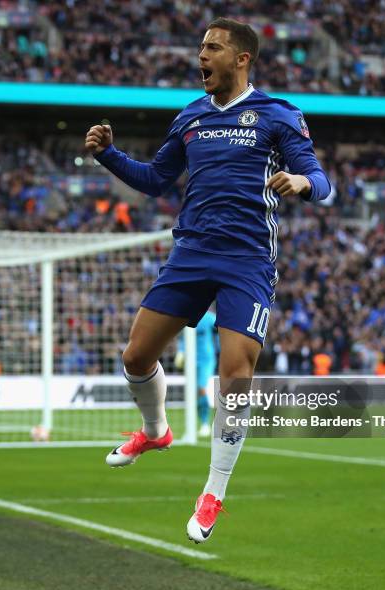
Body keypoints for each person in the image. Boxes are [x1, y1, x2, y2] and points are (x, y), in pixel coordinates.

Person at [84, 17, 330, 544]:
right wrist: (108, 155)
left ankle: (214, 490)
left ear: (241, 59)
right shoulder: (190, 117)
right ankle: (156, 433)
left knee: (235, 374)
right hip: (191, 252)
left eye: (212, 48)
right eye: (201, 47)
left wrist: (303, 180)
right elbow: (154, 180)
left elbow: (323, 180)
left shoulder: (278, 116)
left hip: (247, 261)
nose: (202, 56)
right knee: (135, 357)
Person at [175, 309, 217, 437]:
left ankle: (205, 424)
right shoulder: (186, 316)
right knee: (193, 394)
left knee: (201, 388)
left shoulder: (210, 318)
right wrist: (181, 351)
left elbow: (221, 333)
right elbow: (182, 338)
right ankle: (194, 426)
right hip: (190, 360)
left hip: (206, 359)